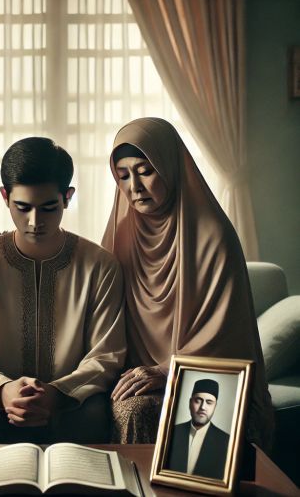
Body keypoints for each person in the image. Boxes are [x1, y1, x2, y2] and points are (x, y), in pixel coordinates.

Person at [103, 117, 273, 449]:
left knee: (163, 410)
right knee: (129, 407)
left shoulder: (213, 237)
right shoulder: (120, 235)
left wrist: (169, 369)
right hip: (137, 373)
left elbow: (226, 336)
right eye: (123, 176)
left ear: (170, 167)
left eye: (145, 171)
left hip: (205, 373)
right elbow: (88, 290)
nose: (134, 186)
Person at [0, 136, 127, 444]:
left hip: (70, 402)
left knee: (95, 413)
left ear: (67, 197)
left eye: (48, 207)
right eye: (22, 207)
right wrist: (4, 390)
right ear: (5, 196)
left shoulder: (100, 266)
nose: (35, 221)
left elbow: (106, 354)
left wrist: (57, 394)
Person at [167, 379, 229, 479]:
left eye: (209, 402)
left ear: (215, 406)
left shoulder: (226, 441)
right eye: (198, 401)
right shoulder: (171, 432)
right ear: (190, 403)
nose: (203, 407)